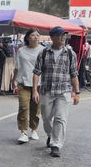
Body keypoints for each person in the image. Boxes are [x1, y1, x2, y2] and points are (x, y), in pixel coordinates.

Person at [32, 26, 80, 158]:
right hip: (46, 90)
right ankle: (50, 135)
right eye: (60, 35)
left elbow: (74, 74)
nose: (63, 37)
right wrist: (34, 90)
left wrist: (77, 92)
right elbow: (36, 72)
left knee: (60, 118)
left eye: (64, 35)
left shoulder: (70, 54)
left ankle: (56, 145)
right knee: (46, 118)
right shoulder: (43, 53)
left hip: (63, 91)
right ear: (52, 37)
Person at [12, 29, 44, 143]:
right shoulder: (21, 51)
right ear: (28, 37)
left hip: (39, 84)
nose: (36, 37)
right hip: (23, 83)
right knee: (23, 107)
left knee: (36, 108)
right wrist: (13, 79)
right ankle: (23, 132)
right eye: (33, 35)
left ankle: (34, 129)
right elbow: (17, 66)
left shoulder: (43, 50)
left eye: (37, 35)